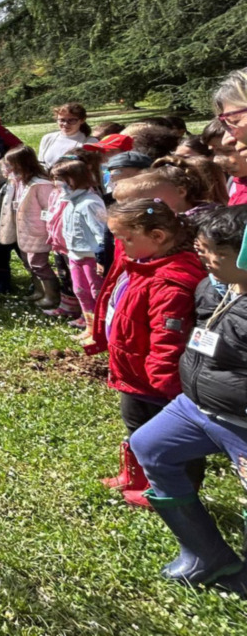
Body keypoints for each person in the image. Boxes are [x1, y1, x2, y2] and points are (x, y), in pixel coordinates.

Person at [126, 205, 247, 594]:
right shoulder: (215, 286)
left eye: (221, 253)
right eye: (205, 248)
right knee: (150, 446)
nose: (208, 258)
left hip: (240, 423)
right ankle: (204, 553)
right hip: (195, 407)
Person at [85, 199, 205, 507]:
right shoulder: (143, 264)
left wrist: (167, 387)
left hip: (159, 384)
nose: (120, 246)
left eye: (126, 238)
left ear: (158, 237)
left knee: (169, 441)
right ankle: (137, 476)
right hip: (134, 374)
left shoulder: (170, 282)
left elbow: (169, 340)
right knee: (135, 426)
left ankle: (177, 494)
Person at [50, 158, 109, 334]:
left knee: (96, 291)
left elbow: (101, 233)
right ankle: (89, 326)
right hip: (74, 255)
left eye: (60, 178)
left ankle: (101, 328)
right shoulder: (69, 201)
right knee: (80, 290)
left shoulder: (90, 202)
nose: (57, 183)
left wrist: (102, 258)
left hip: (91, 257)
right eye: (54, 178)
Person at [0, 146, 58, 308]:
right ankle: (39, 291)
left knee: (38, 263)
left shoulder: (40, 184)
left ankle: (52, 295)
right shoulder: (18, 181)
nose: (8, 168)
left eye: (11, 164)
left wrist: (49, 230)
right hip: (23, 230)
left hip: (37, 231)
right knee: (28, 262)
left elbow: (49, 208)